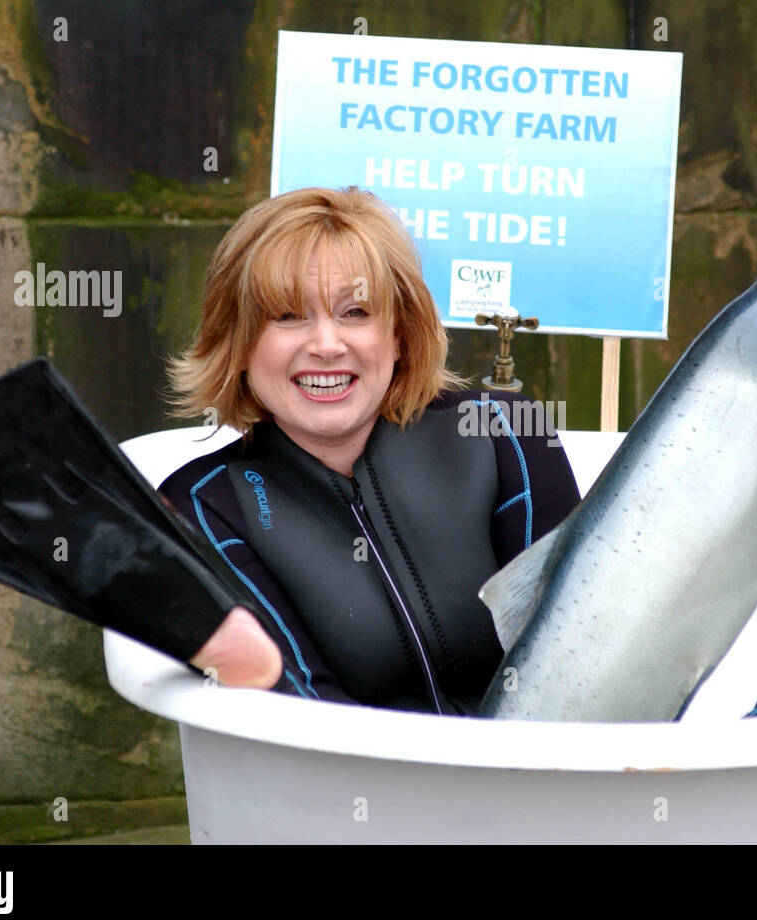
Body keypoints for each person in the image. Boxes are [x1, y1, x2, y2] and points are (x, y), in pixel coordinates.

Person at [156, 186, 581, 714]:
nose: (328, 344)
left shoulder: (502, 431)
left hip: (542, 779)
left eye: (355, 312)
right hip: (347, 789)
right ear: (240, 342)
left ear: (400, 333)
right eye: (289, 316)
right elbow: (300, 708)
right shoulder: (203, 506)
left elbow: (578, 655)